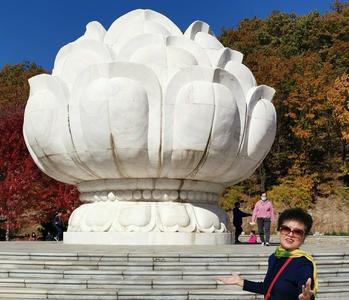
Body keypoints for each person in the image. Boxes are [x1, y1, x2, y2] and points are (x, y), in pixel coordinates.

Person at [216, 208, 318, 300]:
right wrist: (240, 282)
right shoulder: (274, 257)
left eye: (297, 232)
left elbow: (305, 290)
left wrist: (307, 298)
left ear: (304, 237)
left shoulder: (303, 263)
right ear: (279, 230)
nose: (290, 235)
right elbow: (267, 287)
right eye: (286, 229)